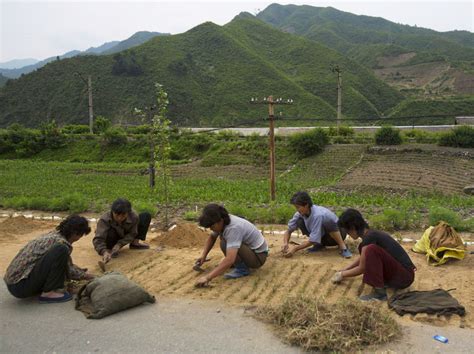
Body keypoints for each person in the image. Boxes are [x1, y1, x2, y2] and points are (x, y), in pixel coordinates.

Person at [4, 215, 94, 303]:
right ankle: (49, 293)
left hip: (14, 283)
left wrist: (79, 271)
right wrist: (87, 276)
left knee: (61, 251)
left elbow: (65, 264)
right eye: (81, 235)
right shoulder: (61, 243)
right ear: (75, 233)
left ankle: (46, 288)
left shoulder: (54, 235)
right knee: (61, 249)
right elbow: (68, 268)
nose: (79, 238)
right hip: (19, 286)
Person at [332, 208, 416, 301]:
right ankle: (382, 285)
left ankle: (379, 293)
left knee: (371, 250)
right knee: (367, 249)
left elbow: (362, 268)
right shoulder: (370, 235)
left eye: (348, 231)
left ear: (353, 227)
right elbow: (363, 259)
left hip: (405, 277)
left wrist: (342, 274)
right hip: (403, 275)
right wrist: (345, 269)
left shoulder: (370, 238)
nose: (348, 234)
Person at [195, 204, 269, 287]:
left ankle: (242, 269)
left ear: (220, 221)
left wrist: (208, 277)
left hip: (258, 257)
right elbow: (212, 237)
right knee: (225, 241)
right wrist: (203, 256)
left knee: (225, 242)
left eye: (212, 226)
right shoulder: (224, 220)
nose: (211, 229)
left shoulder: (233, 228)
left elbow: (230, 259)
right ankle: (239, 263)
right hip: (251, 250)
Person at [281, 191, 352, 258]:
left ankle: (343, 247)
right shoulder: (299, 214)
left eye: (298, 207)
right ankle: (319, 244)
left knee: (328, 221)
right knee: (300, 221)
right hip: (324, 237)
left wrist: (295, 249)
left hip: (338, 234)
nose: (297, 210)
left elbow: (312, 240)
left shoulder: (318, 215)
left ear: (306, 205)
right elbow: (289, 230)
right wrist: (285, 243)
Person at [93, 198, 151, 264]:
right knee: (110, 233)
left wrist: (119, 244)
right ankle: (109, 250)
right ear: (112, 211)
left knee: (145, 216)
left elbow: (132, 233)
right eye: (117, 215)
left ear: (128, 213)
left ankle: (135, 243)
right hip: (111, 237)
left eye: (123, 215)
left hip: (124, 235)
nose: (119, 218)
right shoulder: (104, 219)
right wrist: (103, 251)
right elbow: (98, 239)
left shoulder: (134, 216)